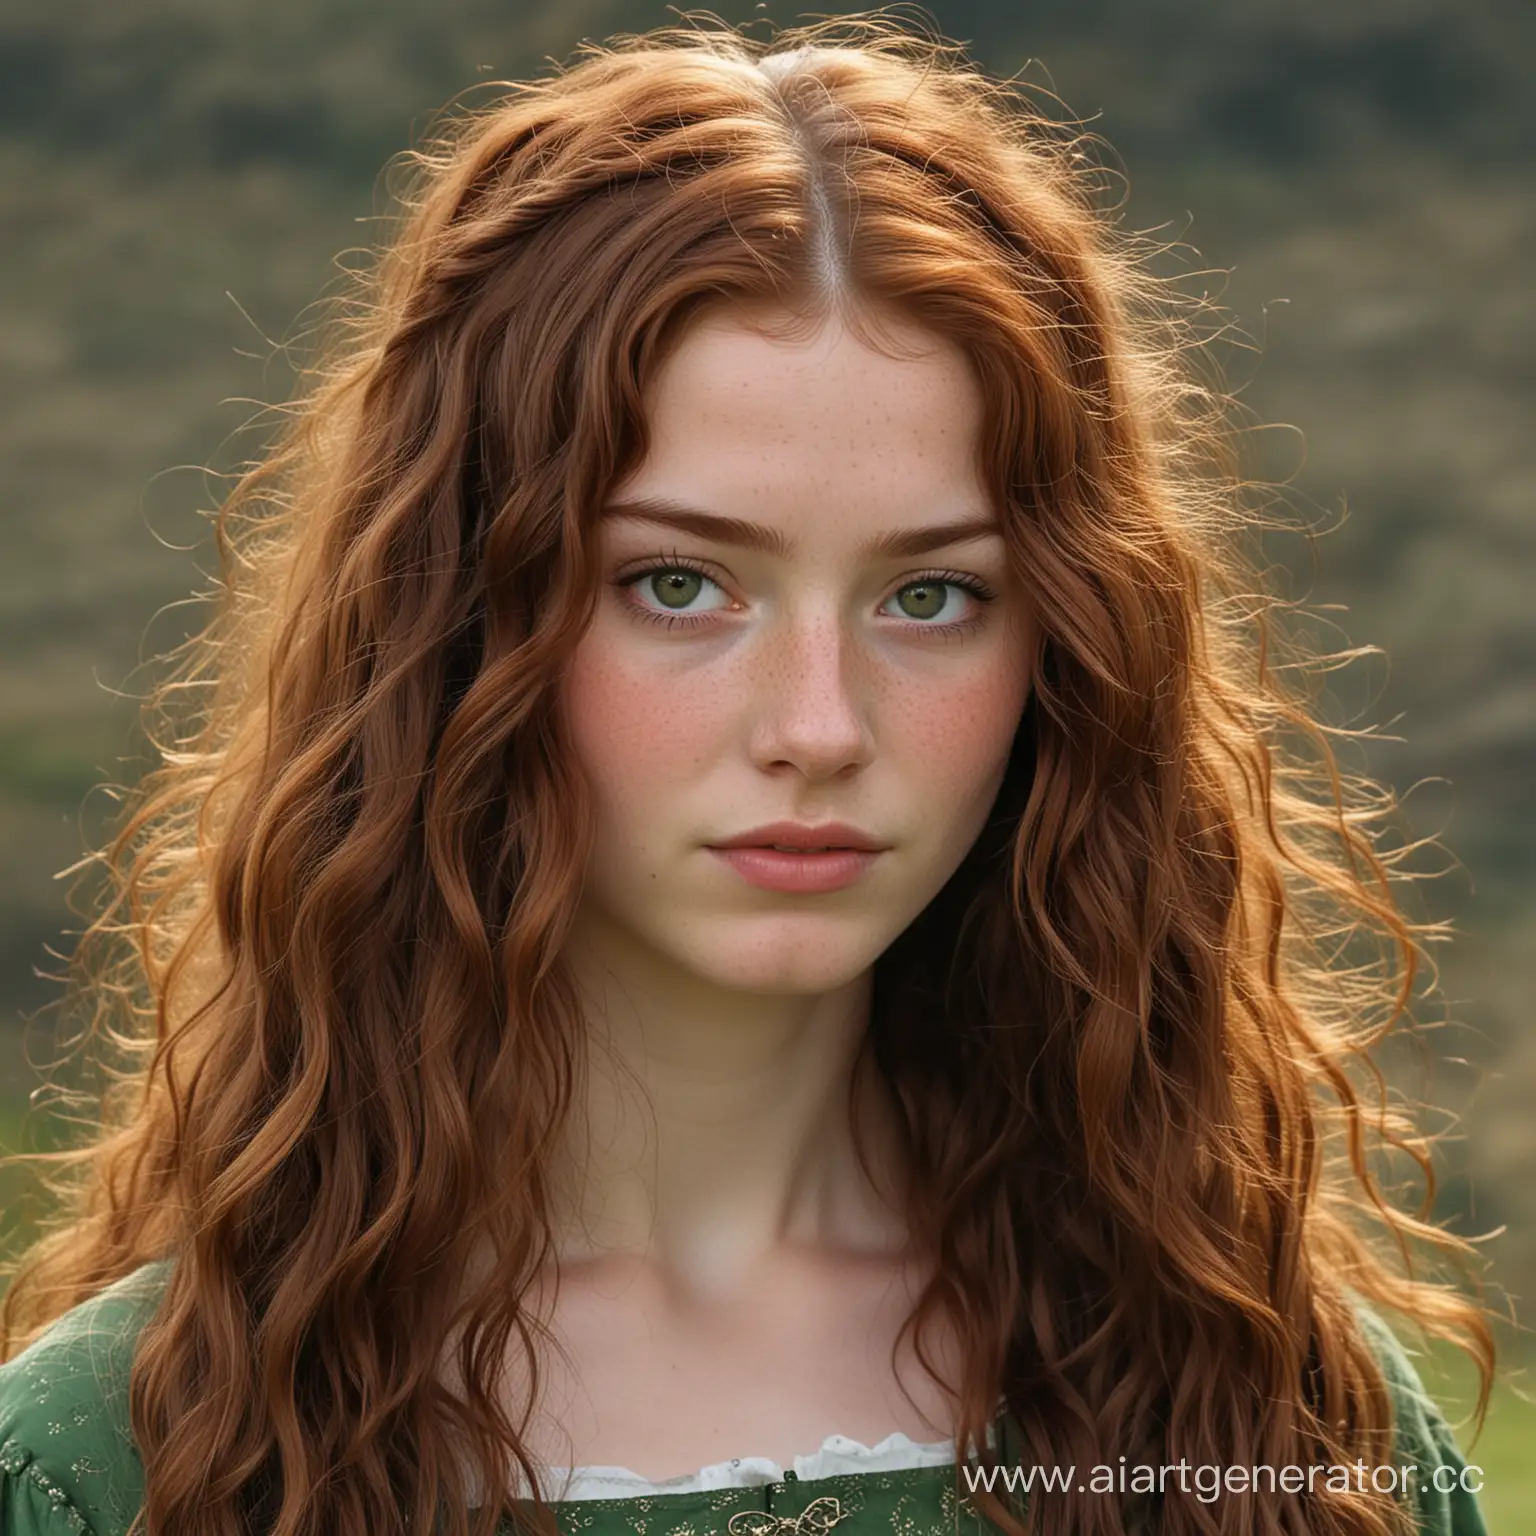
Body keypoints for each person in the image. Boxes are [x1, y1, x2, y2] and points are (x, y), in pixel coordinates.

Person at [0, 17, 1497, 1536]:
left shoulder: (1271, 1417)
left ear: (1069, 657)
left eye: (932, 597)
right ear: (456, 629)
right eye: (678, 584)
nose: (821, 723)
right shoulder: (124, 1467)